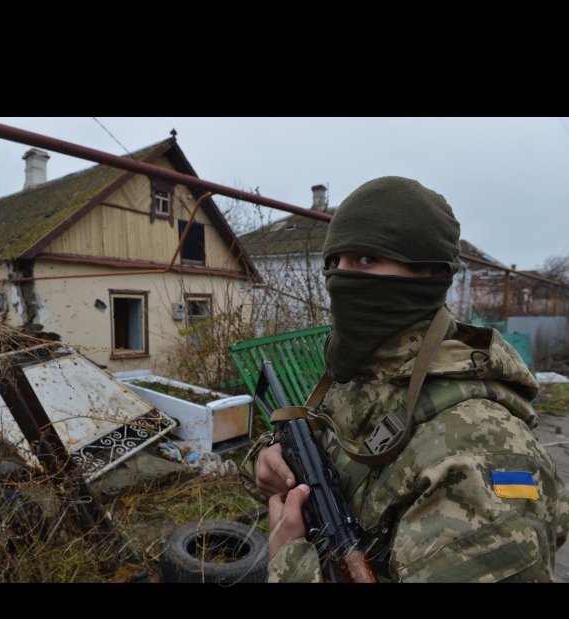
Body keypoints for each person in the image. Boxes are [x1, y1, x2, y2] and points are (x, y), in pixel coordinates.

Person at [241, 176, 569, 583]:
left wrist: (289, 559)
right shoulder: (362, 378)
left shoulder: (483, 454)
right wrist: (265, 461)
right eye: (334, 262)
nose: (341, 278)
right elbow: (316, 451)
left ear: (429, 272)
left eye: (364, 260)